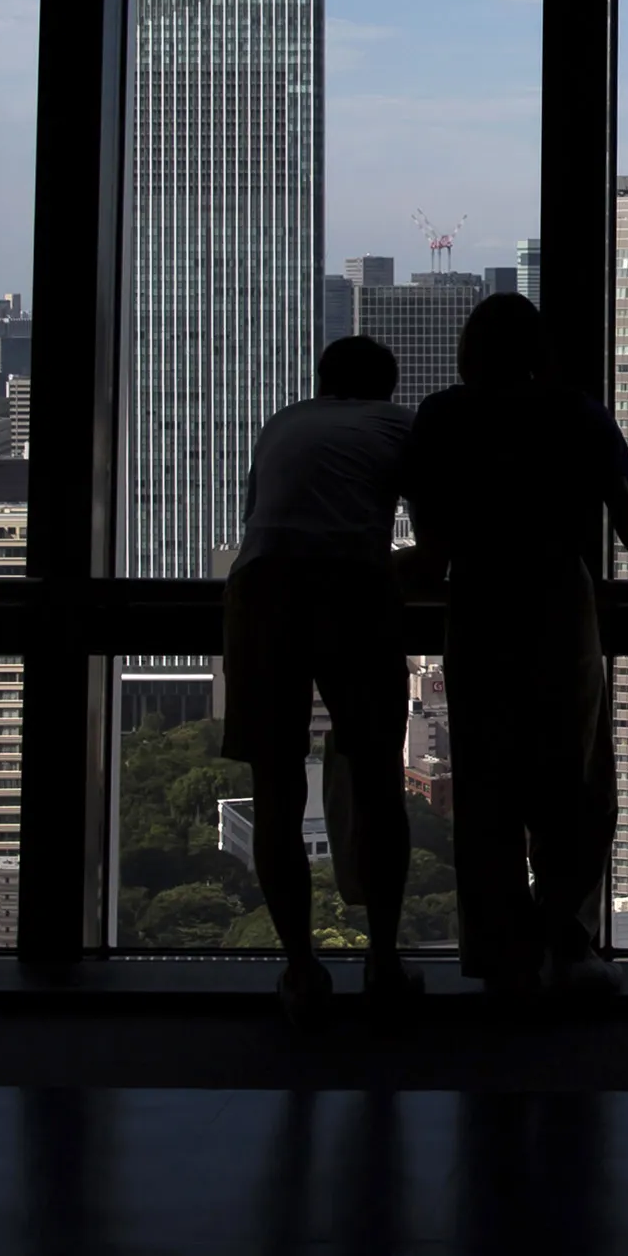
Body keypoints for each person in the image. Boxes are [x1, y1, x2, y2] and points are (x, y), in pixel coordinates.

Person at [402, 294, 628, 1007]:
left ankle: (502, 956)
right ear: (539, 351)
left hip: (478, 605)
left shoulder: (442, 417)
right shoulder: (575, 413)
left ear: (469, 351)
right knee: (577, 786)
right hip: (561, 604)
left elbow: (431, 549)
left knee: (486, 789)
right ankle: (565, 940)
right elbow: (623, 507)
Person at [223, 334, 428, 1030]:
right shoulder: (401, 425)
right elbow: (434, 547)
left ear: (321, 381)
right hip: (351, 588)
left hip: (259, 590)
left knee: (275, 787)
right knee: (377, 782)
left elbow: (265, 523)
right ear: (388, 387)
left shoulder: (283, 421)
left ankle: (301, 969)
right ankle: (384, 960)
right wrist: (382, 571)